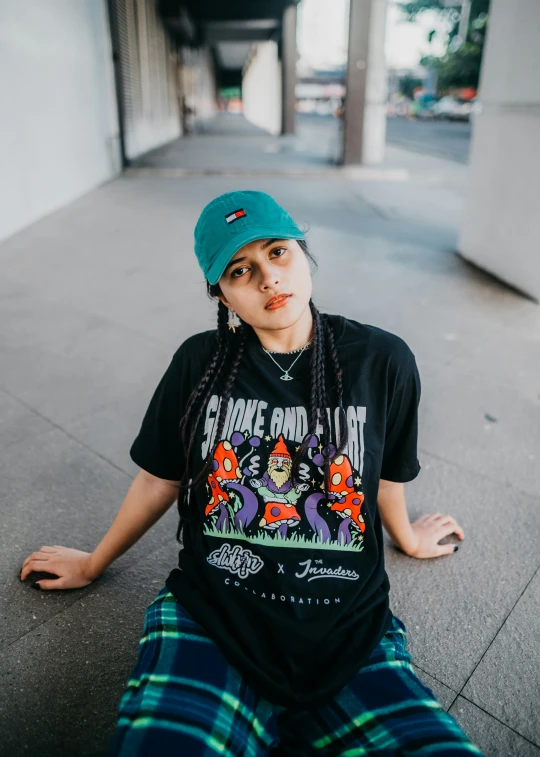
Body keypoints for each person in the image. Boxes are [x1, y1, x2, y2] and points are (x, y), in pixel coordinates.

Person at [20, 191, 484, 756]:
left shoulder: (381, 360)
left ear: (303, 254)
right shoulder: (199, 362)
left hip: (346, 628)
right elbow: (159, 478)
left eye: (278, 253)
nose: (268, 279)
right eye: (242, 270)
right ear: (221, 292)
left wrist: (407, 538)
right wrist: (94, 562)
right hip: (212, 620)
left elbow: (386, 477)